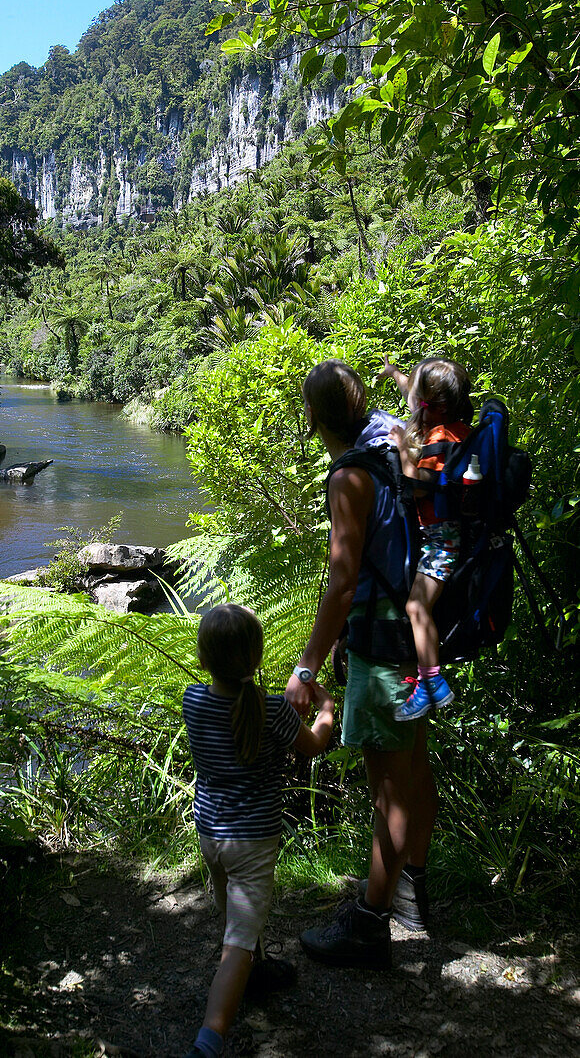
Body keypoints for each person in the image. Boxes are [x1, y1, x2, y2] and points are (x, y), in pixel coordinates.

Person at [286, 359, 438, 969]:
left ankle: (371, 922)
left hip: (381, 644)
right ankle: (412, 895)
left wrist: (306, 666)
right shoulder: (392, 451)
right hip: (417, 634)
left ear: (315, 418)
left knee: (387, 792)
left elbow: (342, 580)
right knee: (413, 769)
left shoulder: (351, 475)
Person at [183, 603, 335, 1058]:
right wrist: (325, 707)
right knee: (238, 944)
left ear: (203, 659)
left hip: (211, 834)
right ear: (258, 658)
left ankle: (259, 969)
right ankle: (208, 1043)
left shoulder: (194, 700)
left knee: (233, 914)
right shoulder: (275, 711)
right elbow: (315, 744)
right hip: (253, 839)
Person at [379, 356, 473, 720]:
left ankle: (432, 683)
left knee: (416, 608)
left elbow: (418, 488)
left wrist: (403, 447)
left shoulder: (438, 439)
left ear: (430, 406)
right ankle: (429, 678)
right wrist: (394, 374)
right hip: (447, 536)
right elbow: (415, 394)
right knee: (420, 608)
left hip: (440, 539)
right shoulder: (458, 428)